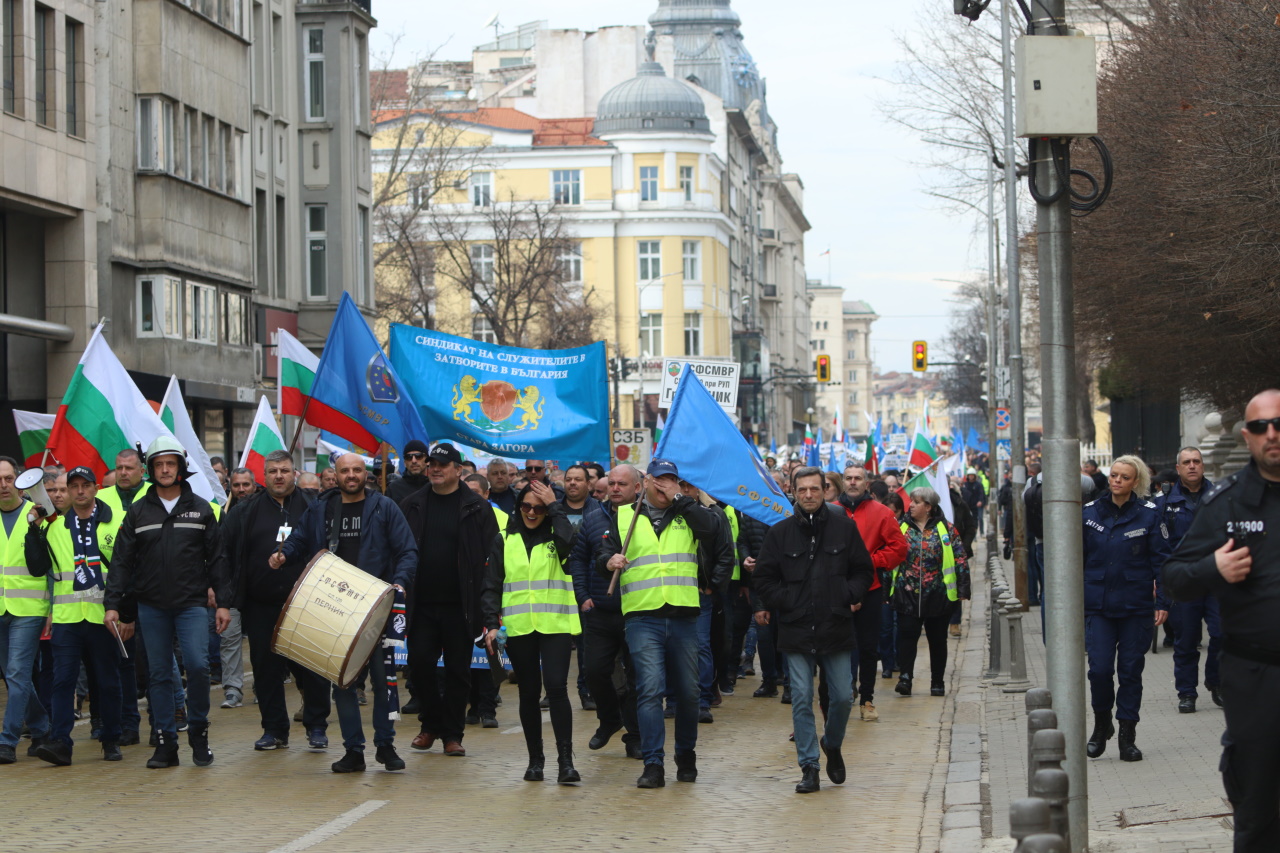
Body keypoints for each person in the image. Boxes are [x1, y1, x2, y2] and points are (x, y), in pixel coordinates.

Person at [1164, 390, 1280, 851]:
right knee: (1257, 806)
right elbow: (1174, 578)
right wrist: (1212, 569)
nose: (1272, 434)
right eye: (1260, 427)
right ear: (1246, 437)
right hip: (1256, 677)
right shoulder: (1227, 504)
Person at [271, 453, 416, 773]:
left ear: (366, 474)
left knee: (384, 683)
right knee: (344, 684)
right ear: (334, 475)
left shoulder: (384, 507)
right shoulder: (321, 508)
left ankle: (385, 745)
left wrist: (399, 583)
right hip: (336, 609)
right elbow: (298, 541)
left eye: (357, 470)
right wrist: (284, 556)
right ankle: (353, 750)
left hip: (377, 610)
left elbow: (407, 550)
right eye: (345, 471)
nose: (351, 475)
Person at [104, 437, 231, 769]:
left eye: (170, 464)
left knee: (199, 666)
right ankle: (165, 743)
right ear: (150, 469)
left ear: (180, 468)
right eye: (158, 464)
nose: (164, 469)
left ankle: (199, 735)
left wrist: (223, 603)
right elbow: (121, 562)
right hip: (151, 606)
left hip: (191, 604)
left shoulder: (202, 508)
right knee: (158, 674)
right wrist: (113, 604)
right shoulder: (137, 512)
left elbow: (217, 559)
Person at [753, 466, 875, 793]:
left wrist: (848, 595)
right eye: (802, 489)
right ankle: (809, 766)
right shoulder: (779, 533)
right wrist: (785, 600)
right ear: (793, 491)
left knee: (843, 697)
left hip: (835, 626)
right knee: (801, 698)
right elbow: (763, 578)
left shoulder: (843, 529)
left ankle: (831, 743)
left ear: (824, 490)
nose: (808, 495)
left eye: (815, 489)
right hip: (795, 629)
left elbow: (863, 571)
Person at [598, 458, 718, 788]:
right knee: (650, 690)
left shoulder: (688, 513)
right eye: (659, 479)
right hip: (643, 616)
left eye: (672, 480)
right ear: (646, 482)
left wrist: (681, 499)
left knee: (689, 693)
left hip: (683, 615)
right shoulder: (623, 515)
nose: (665, 485)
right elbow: (600, 553)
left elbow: (711, 530)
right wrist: (608, 561)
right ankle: (653, 763)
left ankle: (686, 755)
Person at [399, 442, 499, 758]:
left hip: (461, 606)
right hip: (422, 604)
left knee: (458, 671)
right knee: (420, 667)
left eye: (443, 465)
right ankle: (430, 725)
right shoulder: (412, 505)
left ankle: (452, 735)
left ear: (459, 470)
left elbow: (493, 559)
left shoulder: (478, 508)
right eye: (432, 465)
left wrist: (488, 607)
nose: (435, 469)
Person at [226, 450, 331, 751]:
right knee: (266, 670)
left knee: (312, 668)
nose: (279, 476)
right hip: (261, 604)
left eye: (284, 470)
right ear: (264, 475)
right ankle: (274, 730)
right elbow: (225, 551)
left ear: (294, 473)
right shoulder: (245, 511)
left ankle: (316, 726)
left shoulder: (314, 506)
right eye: (273, 471)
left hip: (307, 603)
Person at [24, 466, 127, 764]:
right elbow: (36, 566)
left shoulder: (116, 521)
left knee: (107, 681)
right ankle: (60, 743)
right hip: (68, 618)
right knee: (62, 681)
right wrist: (34, 529)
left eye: (85, 485)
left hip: (102, 617)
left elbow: (126, 569)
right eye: (74, 486)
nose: (80, 491)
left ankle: (111, 739)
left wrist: (123, 611)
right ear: (68, 491)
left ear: (95, 488)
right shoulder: (54, 526)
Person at [482, 481, 580, 784]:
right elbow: (492, 584)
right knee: (527, 692)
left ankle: (566, 761)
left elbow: (570, 543)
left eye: (539, 508)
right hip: (520, 627)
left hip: (556, 625)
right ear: (518, 507)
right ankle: (535, 760)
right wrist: (492, 624)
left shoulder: (557, 535)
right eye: (526, 506)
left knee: (556, 688)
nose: (532, 512)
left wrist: (555, 506)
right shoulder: (504, 539)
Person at [1082, 454, 1170, 763]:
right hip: (1098, 605)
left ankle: (1127, 735)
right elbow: (1073, 560)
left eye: (1124, 477)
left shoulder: (1149, 514)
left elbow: (1162, 562)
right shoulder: (1089, 512)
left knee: (1131, 671)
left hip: (1136, 606)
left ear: (1136, 482)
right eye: (1114, 475)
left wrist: (1163, 602)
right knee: (1100, 670)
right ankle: (1101, 723)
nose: (1117, 480)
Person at [570, 465, 643, 759]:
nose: (614, 488)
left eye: (621, 484)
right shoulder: (592, 519)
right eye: (610, 483)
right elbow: (578, 559)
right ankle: (610, 718)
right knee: (595, 671)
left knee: (637, 677)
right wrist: (583, 596)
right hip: (599, 610)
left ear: (636, 488)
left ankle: (636, 736)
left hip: (637, 611)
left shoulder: (646, 518)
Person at [835, 464, 908, 722]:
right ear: (843, 482)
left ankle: (867, 698)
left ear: (867, 484)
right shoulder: (831, 511)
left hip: (871, 587)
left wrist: (871, 560)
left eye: (858, 478)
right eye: (849, 478)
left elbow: (899, 549)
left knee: (867, 646)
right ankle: (843, 693)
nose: (853, 482)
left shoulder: (882, 513)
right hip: (836, 589)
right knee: (838, 646)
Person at [891, 487, 970, 698]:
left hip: (938, 596)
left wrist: (963, 588)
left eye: (916, 502)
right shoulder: (901, 528)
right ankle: (905, 678)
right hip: (907, 594)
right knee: (906, 637)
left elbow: (960, 558)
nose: (911, 505)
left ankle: (937, 681)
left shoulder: (946, 529)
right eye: (912, 502)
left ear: (928, 506)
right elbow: (890, 558)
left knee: (937, 640)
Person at [1156, 447, 1217, 713]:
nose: (1192, 466)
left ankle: (1217, 683)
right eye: (1186, 462)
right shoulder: (1164, 502)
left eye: (1197, 461)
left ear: (1203, 466)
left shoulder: (1221, 497)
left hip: (1217, 578)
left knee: (1224, 634)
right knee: (1186, 639)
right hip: (1184, 581)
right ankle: (1187, 692)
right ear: (1178, 468)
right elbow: (1158, 548)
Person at [0, 457, 51, 764]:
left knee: (18, 672)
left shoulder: (37, 514)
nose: (3, 484)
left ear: (17, 480)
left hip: (30, 608)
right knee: (13, 676)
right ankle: (42, 728)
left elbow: (50, 564)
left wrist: (52, 609)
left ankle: (7, 740)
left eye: (7, 478)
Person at [462, 473, 502, 728]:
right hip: (463, 594)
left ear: (487, 494)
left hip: (489, 592)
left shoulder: (500, 518)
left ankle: (488, 708)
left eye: (476, 492)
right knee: (465, 654)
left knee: (490, 651)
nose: (471, 497)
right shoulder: (458, 515)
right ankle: (472, 706)